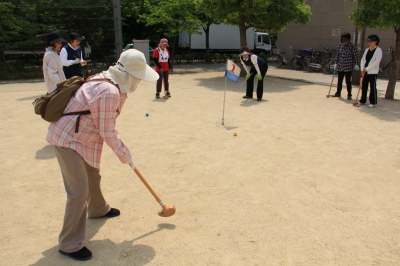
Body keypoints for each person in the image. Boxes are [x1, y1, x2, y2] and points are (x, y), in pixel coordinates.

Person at [47, 49, 158, 261]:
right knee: (78, 191)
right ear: (130, 76)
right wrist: (125, 155)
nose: (139, 82)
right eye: (139, 78)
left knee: (92, 174)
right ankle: (69, 244)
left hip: (82, 137)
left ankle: (98, 208)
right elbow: (107, 131)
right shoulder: (109, 91)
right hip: (68, 140)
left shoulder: (107, 78)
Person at [332, 32, 359, 100]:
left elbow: (356, 56)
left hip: (348, 66)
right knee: (339, 80)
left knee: (348, 81)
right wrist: (336, 63)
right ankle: (338, 93)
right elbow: (338, 55)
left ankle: (349, 94)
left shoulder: (352, 46)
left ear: (349, 39)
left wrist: (357, 64)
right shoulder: (340, 45)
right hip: (340, 66)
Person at [359, 35, 382, 108]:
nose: (370, 43)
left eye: (371, 41)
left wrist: (367, 69)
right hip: (365, 71)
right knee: (364, 86)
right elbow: (362, 60)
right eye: (369, 41)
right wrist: (362, 69)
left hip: (373, 71)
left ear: (376, 42)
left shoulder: (378, 50)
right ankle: (363, 100)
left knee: (372, 87)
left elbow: (376, 62)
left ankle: (373, 102)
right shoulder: (367, 50)